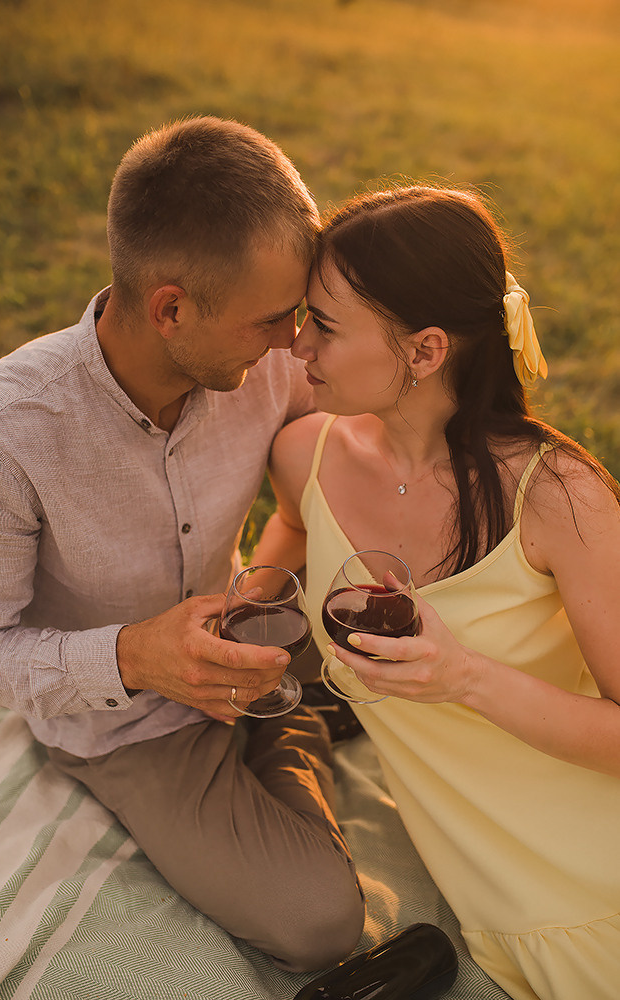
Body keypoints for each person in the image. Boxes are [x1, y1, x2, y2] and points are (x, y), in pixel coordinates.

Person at [0, 116, 366, 971]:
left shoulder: (266, 362)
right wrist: (136, 659)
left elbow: (333, 461)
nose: (293, 342)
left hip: (250, 631)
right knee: (320, 924)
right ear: (170, 308)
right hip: (125, 724)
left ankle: (291, 711)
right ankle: (299, 728)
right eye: (271, 319)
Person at [252, 184, 620, 999]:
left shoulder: (557, 497)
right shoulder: (305, 453)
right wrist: (249, 609)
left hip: (595, 884)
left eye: (325, 325)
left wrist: (466, 679)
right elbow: (289, 534)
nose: (296, 346)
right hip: (488, 898)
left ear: (423, 352)